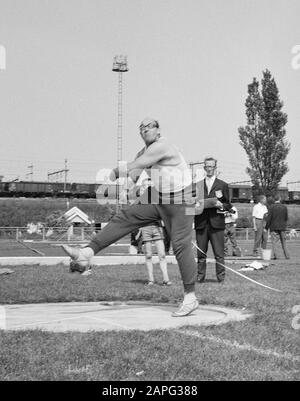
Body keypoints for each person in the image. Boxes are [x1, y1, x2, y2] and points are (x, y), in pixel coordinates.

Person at [62, 117, 199, 317]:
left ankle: (190, 297)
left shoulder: (163, 146)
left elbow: (135, 165)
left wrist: (113, 173)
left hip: (181, 199)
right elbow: (136, 172)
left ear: (158, 130)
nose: (145, 130)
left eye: (150, 126)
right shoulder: (144, 152)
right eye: (142, 128)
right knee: (125, 217)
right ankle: (86, 253)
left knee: (180, 245)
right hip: (158, 196)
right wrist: (131, 187)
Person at [194, 157, 231, 283]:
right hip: (201, 223)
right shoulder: (197, 185)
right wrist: (196, 205)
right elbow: (190, 204)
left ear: (215, 168)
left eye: (211, 166)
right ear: (204, 168)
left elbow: (228, 205)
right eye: (207, 166)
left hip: (217, 224)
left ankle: (221, 278)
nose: (209, 168)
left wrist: (221, 205)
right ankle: (200, 277)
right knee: (201, 254)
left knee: (219, 254)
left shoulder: (223, 185)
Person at [141, 222, 171, 286]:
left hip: (157, 227)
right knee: (148, 256)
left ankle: (166, 279)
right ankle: (151, 280)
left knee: (162, 255)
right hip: (145, 227)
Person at [265, 194, 290, 259]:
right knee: (284, 243)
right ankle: (287, 256)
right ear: (280, 199)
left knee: (275, 243)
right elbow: (286, 218)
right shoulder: (284, 207)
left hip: (274, 227)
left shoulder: (271, 207)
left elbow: (269, 218)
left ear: (274, 199)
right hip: (282, 227)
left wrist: (266, 228)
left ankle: (277, 256)